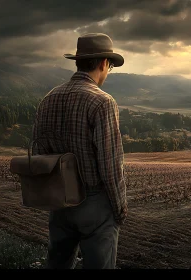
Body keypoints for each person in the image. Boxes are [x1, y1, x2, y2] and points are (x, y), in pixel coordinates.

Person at [31, 33, 127, 269]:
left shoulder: (48, 99)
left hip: (60, 200)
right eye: (110, 66)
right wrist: (119, 208)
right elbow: (110, 163)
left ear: (78, 61)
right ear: (104, 63)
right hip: (94, 202)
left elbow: (38, 151)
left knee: (57, 264)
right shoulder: (103, 102)